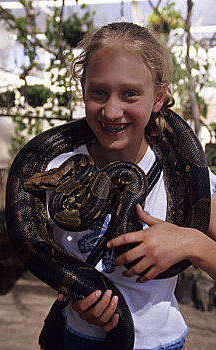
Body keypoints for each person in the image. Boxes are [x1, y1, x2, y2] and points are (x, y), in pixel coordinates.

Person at [43, 22, 216, 350]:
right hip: (76, 337)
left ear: (158, 97)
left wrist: (194, 243)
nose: (111, 110)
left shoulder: (184, 178)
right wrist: (76, 291)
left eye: (130, 93)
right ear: (82, 89)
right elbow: (47, 255)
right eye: (98, 92)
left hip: (158, 344)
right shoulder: (55, 172)